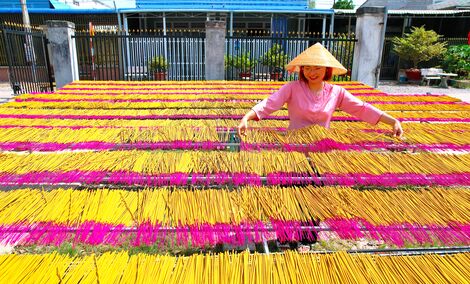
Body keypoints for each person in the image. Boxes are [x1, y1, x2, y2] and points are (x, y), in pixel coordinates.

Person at [237, 43, 403, 138]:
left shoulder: (336, 92)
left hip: (322, 146)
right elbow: (270, 103)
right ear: (302, 70)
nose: (312, 72)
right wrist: (247, 117)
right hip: (294, 145)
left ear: (326, 70)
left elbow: (361, 108)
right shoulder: (292, 88)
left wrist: (393, 121)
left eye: (317, 68)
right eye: (307, 68)